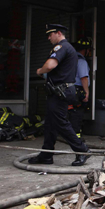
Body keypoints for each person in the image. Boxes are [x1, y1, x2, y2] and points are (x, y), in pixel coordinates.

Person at [30, 24, 91, 166]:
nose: (48, 37)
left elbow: (50, 65)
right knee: (50, 124)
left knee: (61, 123)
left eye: (50, 34)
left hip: (60, 92)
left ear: (58, 33)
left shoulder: (62, 47)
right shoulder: (68, 48)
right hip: (59, 91)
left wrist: (40, 71)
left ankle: (82, 150)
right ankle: (46, 154)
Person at [68, 38, 92, 142]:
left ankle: (69, 135)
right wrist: (86, 93)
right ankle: (76, 137)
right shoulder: (81, 61)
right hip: (78, 90)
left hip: (68, 89)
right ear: (85, 50)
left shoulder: (69, 60)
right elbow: (83, 78)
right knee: (77, 113)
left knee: (70, 112)